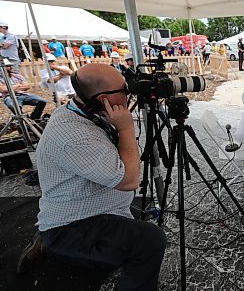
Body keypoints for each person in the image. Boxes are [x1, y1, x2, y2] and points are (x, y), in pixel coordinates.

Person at [17, 63, 167, 290]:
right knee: (150, 241)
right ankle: (51, 243)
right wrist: (126, 129)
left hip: (94, 206)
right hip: (71, 224)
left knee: (129, 235)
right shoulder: (74, 136)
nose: (129, 94)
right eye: (124, 91)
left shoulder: (84, 110)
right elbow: (129, 181)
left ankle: (52, 245)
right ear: (102, 99)